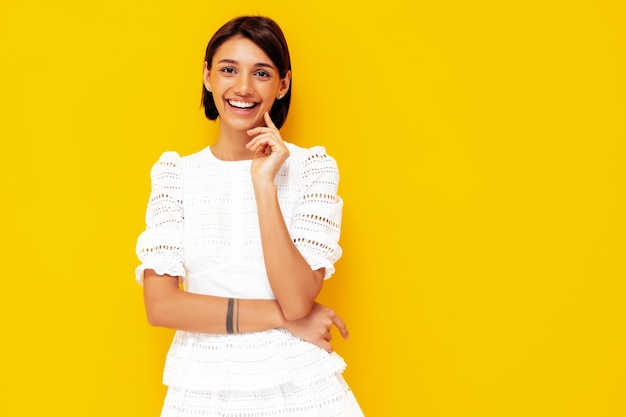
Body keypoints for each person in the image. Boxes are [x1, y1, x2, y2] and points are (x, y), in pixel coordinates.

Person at [135, 15, 364, 417]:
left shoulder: (313, 168)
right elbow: (161, 307)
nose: (243, 88)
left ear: (283, 84)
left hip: (300, 384)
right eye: (228, 70)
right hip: (201, 386)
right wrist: (285, 319)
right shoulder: (175, 174)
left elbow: (297, 299)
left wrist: (263, 183)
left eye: (261, 72)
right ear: (207, 77)